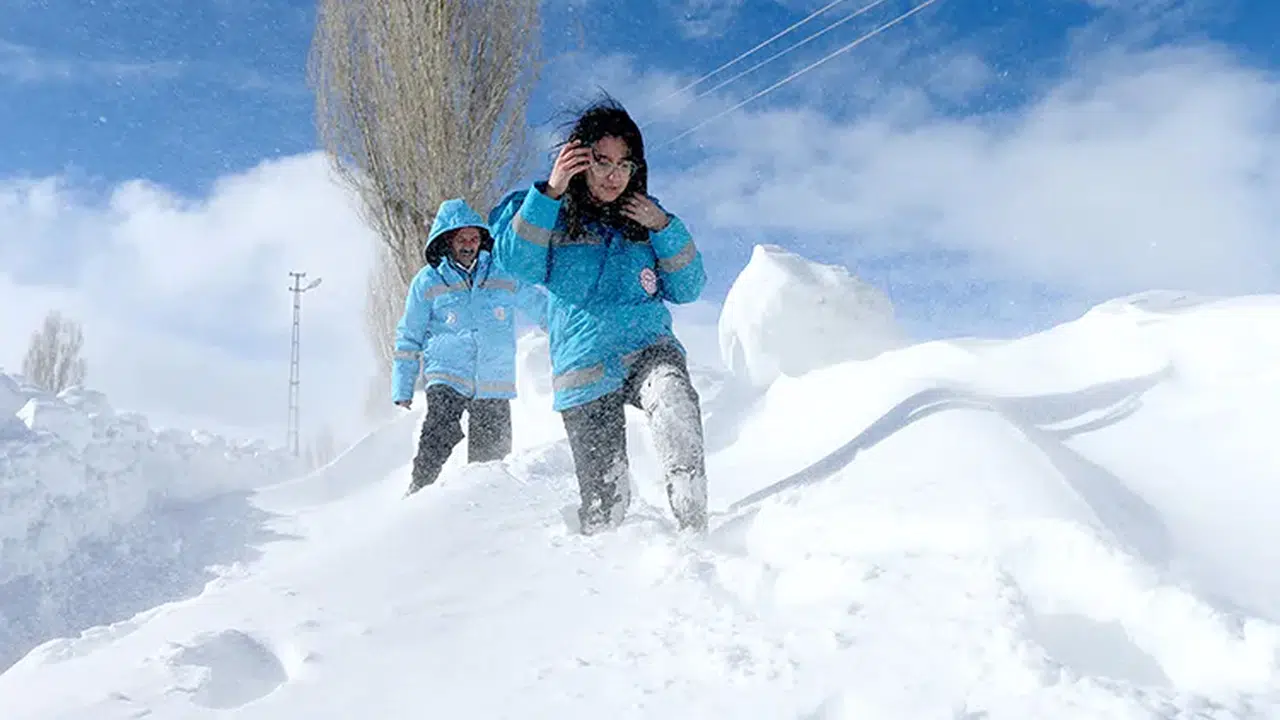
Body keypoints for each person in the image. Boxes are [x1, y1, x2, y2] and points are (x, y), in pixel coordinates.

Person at [488, 96, 709, 535]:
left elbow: (689, 289)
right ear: (580, 161)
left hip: (648, 348)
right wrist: (550, 192)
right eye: (602, 161)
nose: (613, 175)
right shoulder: (553, 213)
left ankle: (695, 530)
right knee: (607, 505)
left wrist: (664, 228)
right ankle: (609, 582)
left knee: (673, 402)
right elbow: (515, 262)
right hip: (584, 367)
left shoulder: (646, 219)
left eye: (625, 165)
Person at [392, 197, 547, 496]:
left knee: (490, 463)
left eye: (474, 238)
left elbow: (539, 305)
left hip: (493, 379)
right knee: (437, 433)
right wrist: (403, 386)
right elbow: (409, 335)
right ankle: (417, 491)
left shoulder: (502, 273)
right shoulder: (428, 281)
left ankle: (481, 515)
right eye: (461, 238)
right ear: (447, 240)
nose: (468, 244)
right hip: (447, 373)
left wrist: (567, 326)